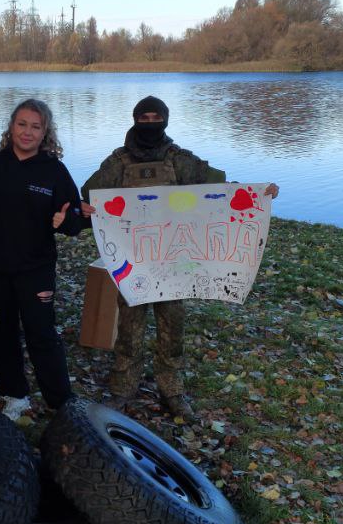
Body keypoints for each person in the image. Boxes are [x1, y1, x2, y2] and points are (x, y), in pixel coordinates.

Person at [80, 96, 278, 419]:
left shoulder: (180, 160)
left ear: (165, 120)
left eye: (154, 117)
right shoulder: (118, 162)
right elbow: (89, 194)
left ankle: (171, 389)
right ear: (134, 120)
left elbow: (221, 189)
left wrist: (258, 193)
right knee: (129, 330)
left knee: (172, 329)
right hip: (135, 264)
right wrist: (89, 209)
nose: (148, 123)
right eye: (142, 117)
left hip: (175, 265)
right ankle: (122, 389)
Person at [0, 99, 84, 420]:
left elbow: (74, 216)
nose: (27, 132)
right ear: (11, 126)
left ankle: (62, 404)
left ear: (46, 132)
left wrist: (68, 221)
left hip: (34, 268)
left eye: (36, 126)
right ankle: (14, 395)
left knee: (42, 334)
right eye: (22, 124)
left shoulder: (54, 170)